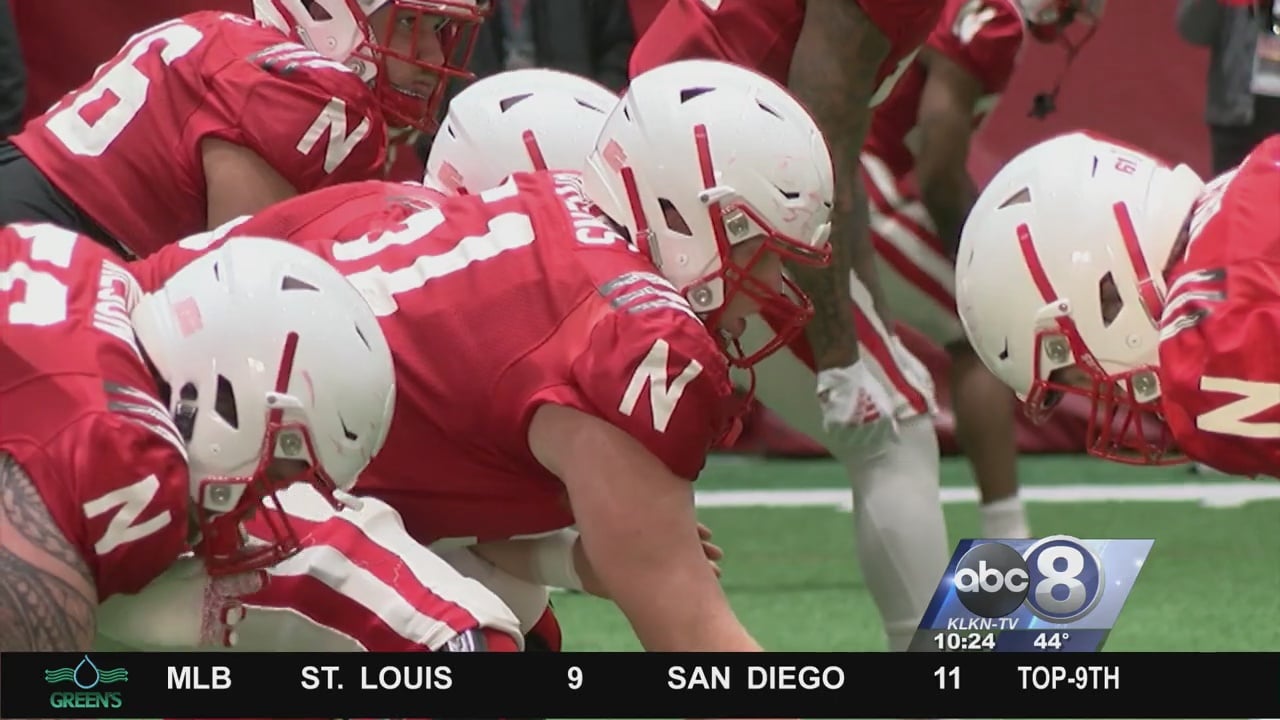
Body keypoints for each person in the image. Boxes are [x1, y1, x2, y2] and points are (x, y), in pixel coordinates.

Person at [135, 58, 835, 652]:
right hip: (182, 461)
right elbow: (693, 638)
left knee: (521, 625)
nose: (772, 291)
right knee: (476, 649)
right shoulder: (631, 337)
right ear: (685, 216)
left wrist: (566, 557)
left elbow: (434, 461)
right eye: (761, 253)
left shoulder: (541, 205)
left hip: (121, 354)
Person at [628, 0, 951, 651]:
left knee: (897, 406)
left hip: (678, 156)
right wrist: (840, 361)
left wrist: (872, 331)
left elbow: (833, 153)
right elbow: (822, 147)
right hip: (710, 189)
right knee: (898, 430)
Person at [0, 224, 397, 651]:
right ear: (228, 407)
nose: (249, 517)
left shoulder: (87, 264)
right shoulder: (132, 462)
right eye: (276, 477)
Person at [861, 0, 1102, 538]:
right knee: (980, 327)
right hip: (859, 183)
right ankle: (1006, 530)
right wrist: (974, 260)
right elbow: (939, 169)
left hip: (844, 166)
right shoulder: (994, 20)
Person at [0, 0, 485, 260]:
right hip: (46, 248)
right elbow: (237, 286)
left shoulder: (222, 28)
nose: (434, 59)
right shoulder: (310, 94)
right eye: (410, 24)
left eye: (443, 32)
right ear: (337, 13)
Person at [953, 130, 1280, 477]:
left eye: (1081, 373)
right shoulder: (1256, 170)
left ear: (1106, 297)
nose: (1110, 389)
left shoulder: (1210, 352)